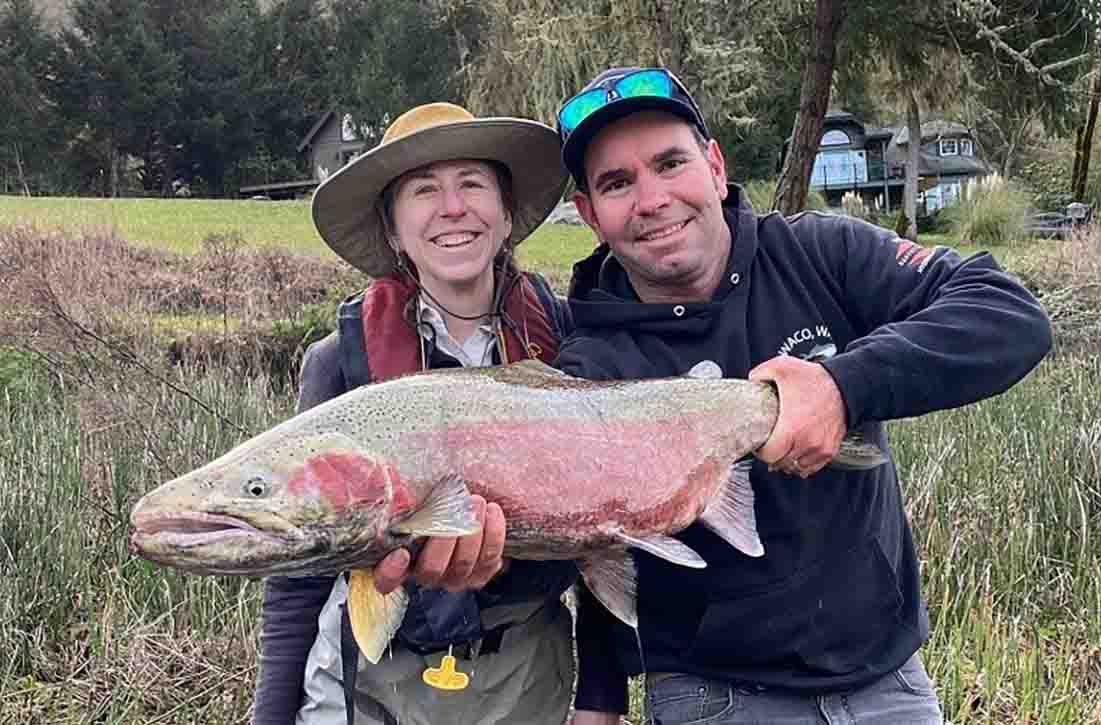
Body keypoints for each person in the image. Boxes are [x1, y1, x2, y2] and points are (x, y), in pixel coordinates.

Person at [550, 67, 1053, 724]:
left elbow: (1010, 313)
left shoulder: (822, 252)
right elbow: (598, 537)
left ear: (714, 164)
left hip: (888, 685)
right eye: (617, 183)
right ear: (589, 212)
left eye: (669, 163)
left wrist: (842, 386)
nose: (652, 199)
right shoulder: (588, 361)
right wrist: (600, 698)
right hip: (714, 695)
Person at [252, 102, 578, 725]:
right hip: (372, 677)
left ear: (507, 216)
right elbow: (296, 565)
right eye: (424, 190)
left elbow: (606, 534)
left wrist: (601, 698)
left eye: (472, 184)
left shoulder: (568, 340)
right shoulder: (339, 364)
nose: (452, 207)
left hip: (525, 671)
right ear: (394, 230)